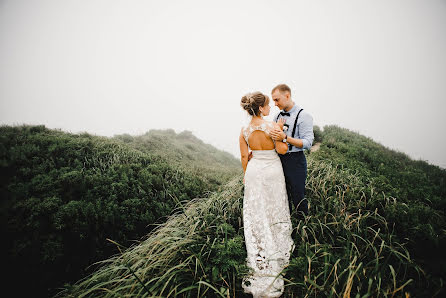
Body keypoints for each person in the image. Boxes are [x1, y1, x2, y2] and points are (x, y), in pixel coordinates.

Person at [239, 91, 294, 297]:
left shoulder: (244, 130)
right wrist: (281, 135)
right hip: (272, 170)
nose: (270, 108)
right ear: (261, 108)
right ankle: (277, 244)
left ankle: (260, 251)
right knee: (275, 206)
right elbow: (281, 150)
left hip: (254, 171)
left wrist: (246, 174)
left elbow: (245, 156)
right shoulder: (273, 126)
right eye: (268, 105)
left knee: (256, 210)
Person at [269, 84, 314, 218]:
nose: (275, 104)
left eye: (277, 100)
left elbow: (308, 143)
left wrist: (286, 138)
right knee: (282, 195)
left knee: (298, 196)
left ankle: (303, 229)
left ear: (287, 96)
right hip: (278, 160)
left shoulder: (304, 115)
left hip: (296, 161)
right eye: (273, 101)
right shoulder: (276, 116)